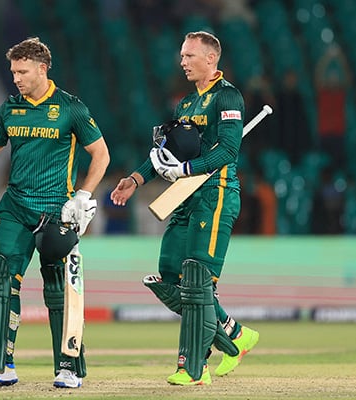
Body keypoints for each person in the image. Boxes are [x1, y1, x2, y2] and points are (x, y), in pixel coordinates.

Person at [0, 37, 110, 389]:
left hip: (57, 211)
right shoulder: (10, 108)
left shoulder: (71, 108)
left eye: (22, 71)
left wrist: (82, 195)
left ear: (42, 68)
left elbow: (101, 155)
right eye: (13, 71)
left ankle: (68, 367)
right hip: (17, 207)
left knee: (59, 291)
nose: (16, 78)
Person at [110, 31, 259, 386]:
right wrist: (135, 179)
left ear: (211, 59)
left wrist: (185, 170)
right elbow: (167, 155)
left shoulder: (228, 96)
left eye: (190, 55)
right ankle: (234, 335)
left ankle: (193, 369)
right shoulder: (186, 105)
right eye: (181, 56)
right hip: (184, 195)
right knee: (168, 272)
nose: (182, 62)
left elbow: (227, 152)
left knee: (197, 280)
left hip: (216, 194)